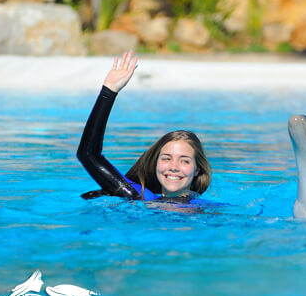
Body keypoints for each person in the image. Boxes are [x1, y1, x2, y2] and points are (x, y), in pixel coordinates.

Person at [77, 51, 212, 202]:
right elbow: (88, 155)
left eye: (184, 161)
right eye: (166, 158)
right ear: (156, 164)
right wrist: (109, 91)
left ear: (197, 170)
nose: (174, 166)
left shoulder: (208, 212)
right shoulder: (140, 198)